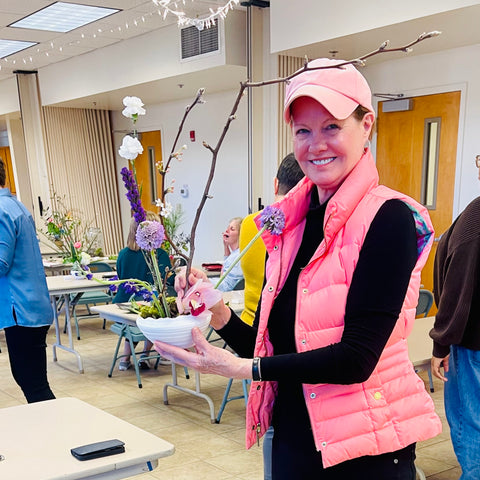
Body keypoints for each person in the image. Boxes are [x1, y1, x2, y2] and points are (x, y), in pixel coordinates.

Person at [154, 58, 442, 479]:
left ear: (367, 126)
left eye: (331, 127)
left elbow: (356, 360)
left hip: (364, 452)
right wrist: (220, 313)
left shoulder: (389, 219)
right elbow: (279, 349)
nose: (316, 144)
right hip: (294, 438)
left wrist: (242, 370)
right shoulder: (291, 225)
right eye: (303, 131)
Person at [239, 152, 304, 480]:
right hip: (283, 339)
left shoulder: (251, 224)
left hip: (255, 322)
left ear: (276, 183)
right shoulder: (290, 228)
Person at [430, 172, 480, 479]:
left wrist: (441, 343)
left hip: (472, 344)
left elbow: (458, 284)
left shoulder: (476, 217)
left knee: (470, 420)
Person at [0, 157, 56, 403]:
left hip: (20, 309)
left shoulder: (1, 210)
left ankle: (62, 435)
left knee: (33, 384)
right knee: (31, 381)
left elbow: (1, 263)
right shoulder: (15, 206)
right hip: (31, 306)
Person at [240, 152, 304, 327]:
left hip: (246, 324)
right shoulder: (301, 230)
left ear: (275, 184)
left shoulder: (248, 223)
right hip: (276, 335)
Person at [114, 212, 174, 370]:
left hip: (121, 307)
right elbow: (167, 280)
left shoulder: (123, 254)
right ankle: (145, 355)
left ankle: (125, 359)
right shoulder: (159, 255)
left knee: (134, 323)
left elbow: (120, 275)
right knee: (158, 311)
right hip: (146, 307)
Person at [215, 217, 243, 292]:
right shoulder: (235, 254)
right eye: (228, 228)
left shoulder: (239, 256)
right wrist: (226, 246)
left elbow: (226, 284)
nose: (226, 231)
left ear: (240, 234)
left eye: (232, 229)